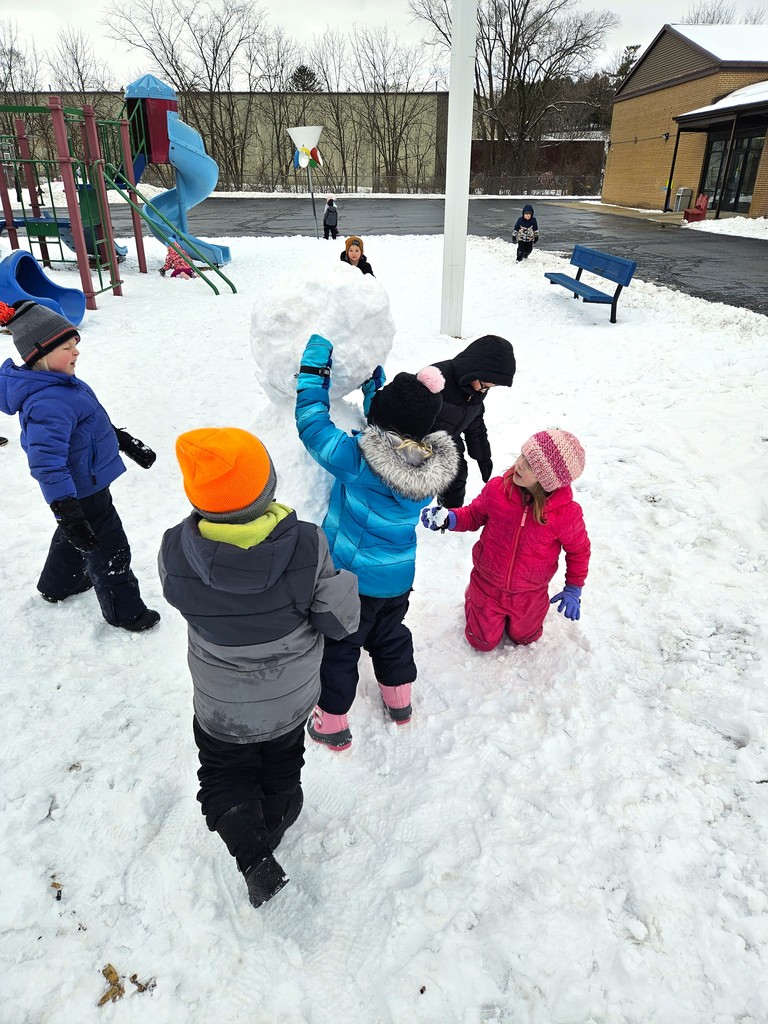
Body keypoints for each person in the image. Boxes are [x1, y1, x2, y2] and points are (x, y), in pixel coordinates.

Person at [158, 427, 360, 908]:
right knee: (282, 757)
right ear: (269, 485)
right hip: (289, 700)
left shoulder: (174, 550)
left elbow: (179, 598)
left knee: (223, 773)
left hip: (220, 707)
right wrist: (344, 584)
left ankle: (252, 855)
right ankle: (279, 810)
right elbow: (337, 620)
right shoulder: (308, 545)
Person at [295, 336, 459, 750]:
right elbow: (389, 436)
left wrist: (314, 373)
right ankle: (400, 700)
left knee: (341, 648)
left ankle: (331, 723)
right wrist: (375, 394)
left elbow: (313, 427)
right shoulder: (426, 468)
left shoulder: (357, 461)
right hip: (397, 579)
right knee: (389, 636)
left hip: (354, 582)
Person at [0, 300, 160, 631]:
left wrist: (123, 441)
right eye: (67, 347)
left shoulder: (64, 384)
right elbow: (47, 462)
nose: (76, 353)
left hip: (86, 486)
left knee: (78, 535)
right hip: (78, 492)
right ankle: (126, 613)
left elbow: (90, 424)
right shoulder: (47, 402)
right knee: (110, 550)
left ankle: (59, 584)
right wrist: (65, 506)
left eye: (76, 346)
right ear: (39, 354)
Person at [421, 429, 590, 651]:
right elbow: (474, 515)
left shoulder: (565, 513)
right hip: (488, 583)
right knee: (481, 642)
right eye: (522, 456)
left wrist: (573, 587)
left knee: (526, 638)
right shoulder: (499, 489)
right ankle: (474, 598)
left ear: (548, 480)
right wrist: (449, 519)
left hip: (530, 592)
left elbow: (579, 550)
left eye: (530, 465)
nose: (519, 464)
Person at [429, 334, 516, 509]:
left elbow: (475, 425)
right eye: (485, 385)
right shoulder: (436, 379)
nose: (485, 390)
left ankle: (448, 515)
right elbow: (406, 410)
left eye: (490, 388)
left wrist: (483, 456)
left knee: (457, 477)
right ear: (474, 370)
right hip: (418, 442)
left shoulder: (475, 392)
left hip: (449, 442)